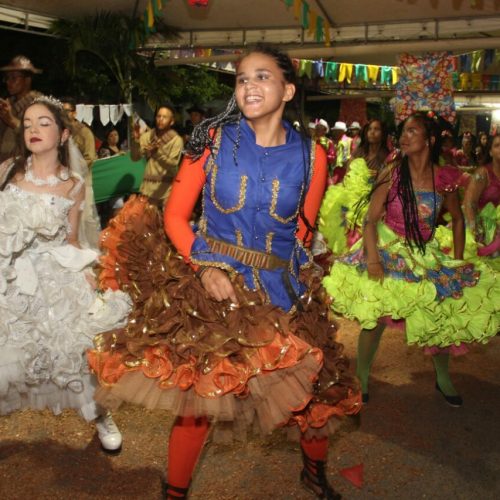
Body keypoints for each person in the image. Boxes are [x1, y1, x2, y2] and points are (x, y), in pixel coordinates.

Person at [88, 44, 361, 499]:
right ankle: (175, 491)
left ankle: (313, 473)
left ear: (288, 89)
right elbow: (175, 217)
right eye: (241, 78)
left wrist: (302, 295)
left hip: (281, 289)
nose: (248, 86)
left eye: (262, 76)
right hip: (214, 287)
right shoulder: (210, 141)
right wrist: (205, 266)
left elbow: (301, 233)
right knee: (200, 400)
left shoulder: (314, 158)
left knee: (315, 390)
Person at [323, 111, 499, 407]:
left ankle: (443, 378)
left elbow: (456, 219)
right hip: (388, 247)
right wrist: (374, 260)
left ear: (429, 140)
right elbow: (369, 220)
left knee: (442, 313)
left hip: (426, 252)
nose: (403, 137)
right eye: (402, 132)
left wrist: (456, 261)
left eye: (412, 132)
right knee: (374, 315)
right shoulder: (391, 173)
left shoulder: (445, 178)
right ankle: (362, 376)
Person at [0, 95, 131, 451]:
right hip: (10, 276)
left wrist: (91, 277)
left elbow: (72, 239)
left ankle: (101, 415)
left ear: (61, 135)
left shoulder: (73, 182)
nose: (33, 130)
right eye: (27, 124)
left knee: (73, 353)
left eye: (43, 123)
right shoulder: (8, 170)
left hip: (54, 278)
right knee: (8, 353)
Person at [319, 118, 390, 256]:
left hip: (373, 200)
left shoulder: (387, 157)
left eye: (376, 129)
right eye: (370, 129)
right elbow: (348, 175)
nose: (372, 132)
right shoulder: (358, 152)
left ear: (383, 133)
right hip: (352, 198)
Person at [131, 104, 183, 208]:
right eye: (158, 116)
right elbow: (135, 158)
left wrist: (157, 153)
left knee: (165, 222)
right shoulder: (147, 136)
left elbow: (173, 164)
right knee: (148, 222)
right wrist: (136, 141)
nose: (161, 119)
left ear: (172, 121)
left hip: (167, 190)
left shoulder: (177, 140)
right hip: (148, 189)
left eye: (164, 117)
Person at [462, 133, 500, 265]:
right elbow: (469, 202)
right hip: (481, 226)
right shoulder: (483, 173)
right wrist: (475, 229)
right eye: (497, 145)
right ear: (490, 152)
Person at [0, 55, 42, 162]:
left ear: (27, 80)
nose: (8, 82)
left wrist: (11, 121)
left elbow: (40, 138)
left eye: (14, 78)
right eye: (7, 78)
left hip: (25, 167)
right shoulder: (8, 104)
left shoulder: (40, 105)